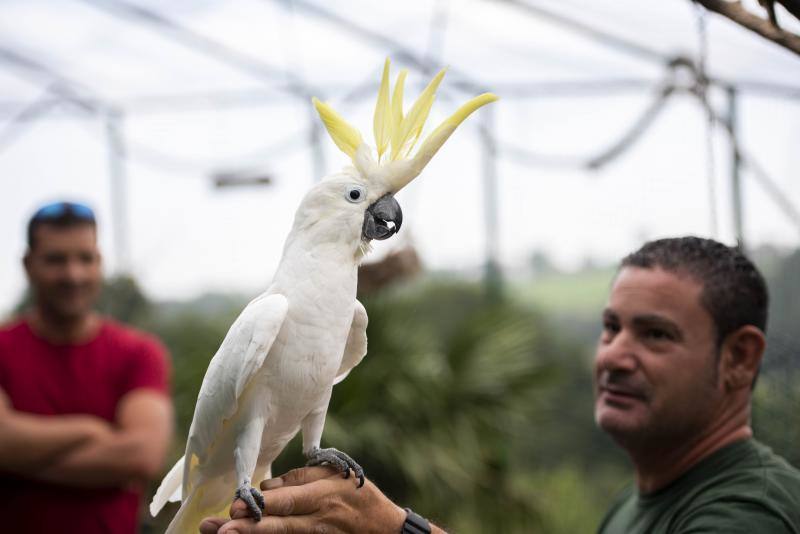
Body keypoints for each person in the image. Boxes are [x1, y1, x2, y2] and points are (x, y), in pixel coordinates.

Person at [199, 236, 800, 534]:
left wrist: (390, 525)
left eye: (656, 335)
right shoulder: (638, 503)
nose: (615, 355)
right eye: (611, 327)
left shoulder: (744, 512)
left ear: (740, 358)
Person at [0, 201, 174, 534]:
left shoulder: (139, 353)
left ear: (99, 262)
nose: (73, 274)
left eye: (85, 258)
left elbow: (142, 456)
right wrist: (89, 430)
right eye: (56, 260)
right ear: (27, 264)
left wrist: (16, 458)